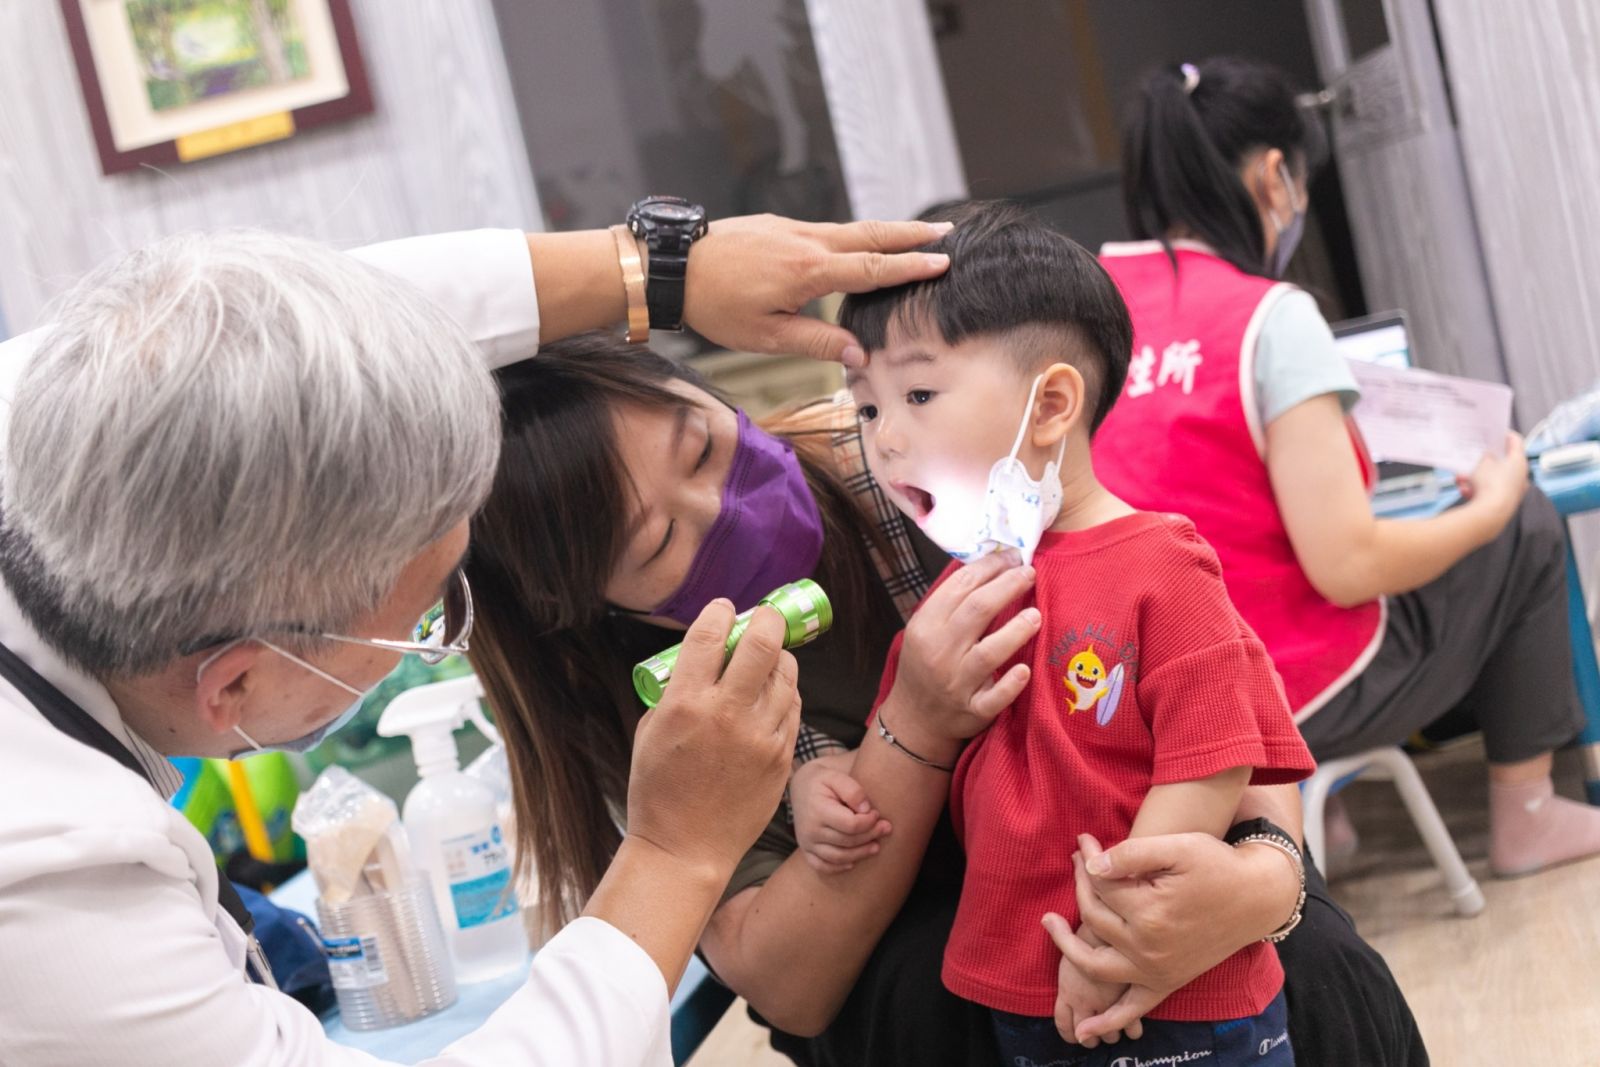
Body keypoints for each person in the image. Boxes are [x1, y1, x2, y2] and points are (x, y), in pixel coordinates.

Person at [0, 212, 958, 1067]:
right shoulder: (57, 891)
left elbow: (261, 347)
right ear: (235, 685)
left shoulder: (60, 420)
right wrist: (673, 850)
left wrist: (655, 270)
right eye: (425, 623)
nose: (715, 508)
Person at [463, 340, 1424, 1059]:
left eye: (705, 444)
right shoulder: (631, 699)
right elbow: (789, 982)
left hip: (1117, 846)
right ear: (588, 603)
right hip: (909, 966)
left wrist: (1266, 880)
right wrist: (915, 726)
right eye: (660, 539)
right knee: (952, 1000)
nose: (724, 506)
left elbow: (1206, 680)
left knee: (1317, 963)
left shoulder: (911, 466)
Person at [824, 201, 1315, 1065]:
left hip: (1173, 999)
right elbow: (906, 769)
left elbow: (1211, 761)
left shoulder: (1164, 562)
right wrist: (826, 789)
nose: (885, 439)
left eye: (918, 393)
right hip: (1031, 1001)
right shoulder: (957, 596)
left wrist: (1112, 937)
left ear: (1051, 402)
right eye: (866, 409)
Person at [1094, 55, 1600, 880]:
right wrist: (1491, 505)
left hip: (1131, 711)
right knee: (1527, 525)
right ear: (1273, 177)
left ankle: (1325, 814)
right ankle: (1529, 814)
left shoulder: (1092, 300)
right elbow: (1347, 564)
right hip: (1278, 704)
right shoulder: (1271, 318)